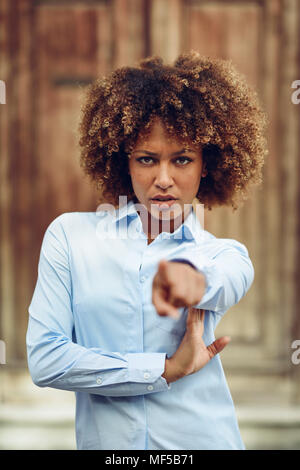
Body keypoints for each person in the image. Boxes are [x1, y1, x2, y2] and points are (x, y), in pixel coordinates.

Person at [26, 51, 267, 450]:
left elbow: (225, 282)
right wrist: (165, 370)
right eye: (147, 159)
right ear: (125, 162)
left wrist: (194, 282)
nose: (164, 179)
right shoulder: (70, 237)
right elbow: (46, 360)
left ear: (206, 164)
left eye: (183, 159)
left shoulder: (223, 255)